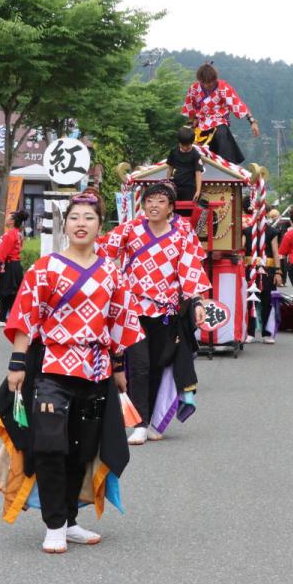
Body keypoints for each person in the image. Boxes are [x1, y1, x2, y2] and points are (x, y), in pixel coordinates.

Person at [0, 190, 142, 553]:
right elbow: (26, 316)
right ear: (64, 224)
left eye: (89, 218)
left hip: (96, 370)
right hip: (52, 368)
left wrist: (119, 367)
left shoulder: (112, 273)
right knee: (49, 446)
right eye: (74, 217)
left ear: (99, 225)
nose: (81, 224)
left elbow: (119, 322)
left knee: (82, 449)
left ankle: (71, 519)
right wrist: (17, 363)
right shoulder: (45, 268)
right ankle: (54, 524)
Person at [98, 181, 209, 446]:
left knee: (159, 365)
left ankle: (152, 421)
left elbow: (190, 272)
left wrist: (198, 302)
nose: (154, 205)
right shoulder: (131, 229)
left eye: (160, 201)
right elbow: (102, 249)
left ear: (170, 207)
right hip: (133, 309)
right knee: (139, 366)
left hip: (165, 312)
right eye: (149, 201)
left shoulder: (181, 236)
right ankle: (139, 423)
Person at [181, 63, 260, 164]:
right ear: (200, 80)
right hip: (201, 123)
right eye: (204, 82)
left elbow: (238, 104)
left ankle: (226, 163)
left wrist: (252, 122)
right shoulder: (194, 89)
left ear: (214, 79)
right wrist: (191, 123)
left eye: (210, 82)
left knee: (221, 134)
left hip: (219, 121)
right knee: (185, 137)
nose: (207, 85)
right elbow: (190, 109)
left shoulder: (223, 87)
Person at [242, 203, 282, 343]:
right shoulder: (246, 231)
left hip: (268, 271)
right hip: (250, 270)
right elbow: (241, 251)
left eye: (261, 212)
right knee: (250, 301)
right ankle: (250, 332)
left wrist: (278, 272)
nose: (258, 215)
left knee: (267, 302)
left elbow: (276, 253)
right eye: (256, 212)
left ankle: (267, 333)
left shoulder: (271, 232)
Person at [0, 211, 29, 328]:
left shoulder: (9, 234)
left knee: (5, 292)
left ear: (12, 221)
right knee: (13, 293)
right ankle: (11, 317)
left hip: (9, 265)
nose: (6, 219)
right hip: (16, 265)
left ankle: (2, 318)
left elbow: (3, 252)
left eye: (8, 218)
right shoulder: (18, 234)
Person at [167, 126, 204, 204]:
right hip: (175, 186)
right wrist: (167, 182)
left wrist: (198, 191)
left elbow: (198, 173)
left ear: (192, 142)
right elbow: (170, 168)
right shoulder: (174, 152)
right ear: (179, 142)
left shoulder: (195, 155)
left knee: (187, 210)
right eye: (183, 145)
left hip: (190, 188)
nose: (185, 147)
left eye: (187, 145)